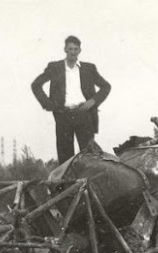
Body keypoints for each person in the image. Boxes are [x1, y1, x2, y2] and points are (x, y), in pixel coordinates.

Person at [31, 35, 112, 164]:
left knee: (89, 157)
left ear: (79, 50)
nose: (73, 52)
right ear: (65, 50)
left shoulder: (89, 68)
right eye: (70, 49)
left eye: (76, 49)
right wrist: (49, 105)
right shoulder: (55, 67)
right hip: (63, 116)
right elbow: (36, 85)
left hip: (84, 115)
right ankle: (66, 185)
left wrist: (93, 101)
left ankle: (89, 184)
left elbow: (106, 86)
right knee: (65, 158)